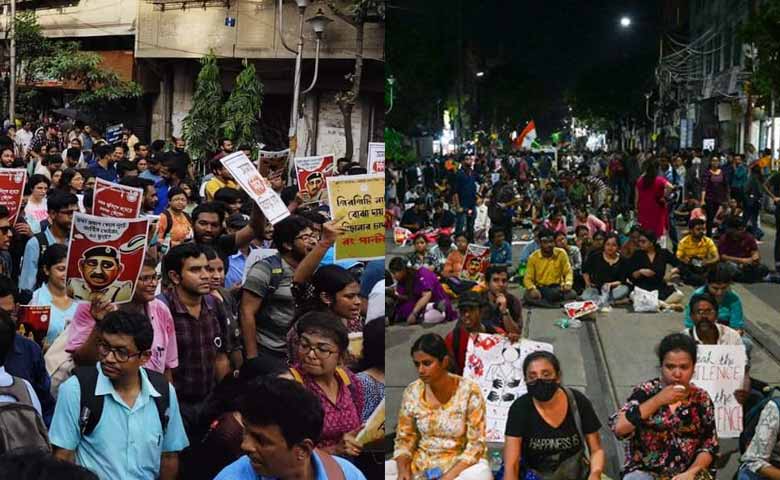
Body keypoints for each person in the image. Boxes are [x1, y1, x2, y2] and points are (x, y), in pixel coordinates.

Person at [50, 311, 189, 479]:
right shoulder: (76, 390)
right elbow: (63, 458)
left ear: (144, 357)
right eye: (105, 347)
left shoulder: (164, 392)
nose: (109, 358)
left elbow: (169, 457)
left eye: (121, 352)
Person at [610, 333, 718, 479]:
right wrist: (657, 401)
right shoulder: (645, 392)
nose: (677, 374)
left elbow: (709, 445)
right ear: (661, 367)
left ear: (693, 368)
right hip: (647, 472)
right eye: (670, 367)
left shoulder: (701, 398)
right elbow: (620, 428)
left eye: (684, 367)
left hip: (687, 472)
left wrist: (690, 473)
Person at [214, 378, 367, 480]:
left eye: (260, 440)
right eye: (246, 431)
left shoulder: (347, 475)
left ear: (302, 449)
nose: (245, 446)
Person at [388, 333, 490, 480]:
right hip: (421, 464)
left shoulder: (469, 391)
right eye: (417, 364)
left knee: (482, 474)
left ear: (444, 362)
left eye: (427, 363)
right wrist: (403, 470)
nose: (421, 370)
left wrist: (446, 478)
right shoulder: (413, 391)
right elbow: (404, 439)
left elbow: (476, 445)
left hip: (458, 466)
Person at [159, 243, 229, 437]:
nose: (206, 275)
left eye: (206, 268)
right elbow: (163, 368)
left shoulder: (215, 305)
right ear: (175, 276)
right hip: (176, 405)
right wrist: (170, 408)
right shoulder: (161, 309)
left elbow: (221, 357)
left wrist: (225, 399)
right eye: (195, 270)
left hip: (210, 401)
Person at [69, 257, 178, 379]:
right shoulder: (94, 305)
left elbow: (167, 367)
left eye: (155, 277)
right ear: (125, 279)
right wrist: (100, 324)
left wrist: (166, 395)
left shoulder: (161, 310)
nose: (153, 284)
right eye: (145, 279)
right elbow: (81, 361)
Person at [503, 351, 605, 480]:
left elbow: (596, 450)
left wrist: (595, 473)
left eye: (546, 374)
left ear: (558, 377)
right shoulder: (520, 408)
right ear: (526, 380)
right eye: (532, 376)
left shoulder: (577, 401)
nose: (539, 380)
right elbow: (511, 464)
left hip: (576, 474)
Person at [289, 312, 364, 456]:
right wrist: (334, 451)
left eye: (322, 349)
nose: (310, 354)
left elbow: (358, 427)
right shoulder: (291, 386)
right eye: (305, 345)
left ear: (341, 357)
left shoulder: (349, 381)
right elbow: (286, 451)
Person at [241, 215, 313, 362]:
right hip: (269, 350)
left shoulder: (315, 267)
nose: (313, 241)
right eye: (305, 237)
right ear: (287, 245)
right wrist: (253, 357)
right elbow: (246, 312)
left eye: (313, 235)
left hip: (303, 352)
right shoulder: (265, 269)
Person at [20, 191, 78, 292]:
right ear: (52, 214)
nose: (73, 217)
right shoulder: (36, 243)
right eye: (69, 213)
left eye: (77, 212)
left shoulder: (78, 242)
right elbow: (27, 285)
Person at [29, 244, 77, 347]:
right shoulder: (35, 301)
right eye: (61, 269)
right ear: (46, 270)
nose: (66, 274)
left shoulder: (81, 300)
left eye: (70, 269)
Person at [627, 229, 685, 311]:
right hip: (642, 288)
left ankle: (656, 304)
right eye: (639, 241)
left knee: (679, 295)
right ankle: (667, 306)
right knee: (633, 295)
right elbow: (630, 275)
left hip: (659, 287)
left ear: (652, 242)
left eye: (643, 242)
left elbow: (680, 264)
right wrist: (640, 272)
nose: (640, 244)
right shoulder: (637, 254)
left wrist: (671, 272)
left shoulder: (663, 253)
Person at [388, 257, 455, 325]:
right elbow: (408, 297)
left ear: (403, 270)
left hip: (436, 301)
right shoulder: (402, 280)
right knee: (403, 307)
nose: (393, 276)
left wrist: (414, 313)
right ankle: (432, 306)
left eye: (395, 273)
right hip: (421, 305)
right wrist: (396, 295)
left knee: (430, 316)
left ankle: (432, 308)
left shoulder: (422, 273)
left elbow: (427, 295)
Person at [522, 229, 576, 308]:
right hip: (541, 289)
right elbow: (528, 278)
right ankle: (558, 304)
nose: (549, 245)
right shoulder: (533, 257)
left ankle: (549, 304)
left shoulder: (561, 253)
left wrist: (568, 283)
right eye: (545, 242)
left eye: (551, 241)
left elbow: (568, 271)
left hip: (558, 288)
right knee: (527, 295)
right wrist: (532, 289)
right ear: (539, 243)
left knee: (572, 294)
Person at [581, 232, 630, 305]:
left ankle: (600, 301)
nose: (610, 247)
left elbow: (621, 280)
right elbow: (585, 271)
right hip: (596, 289)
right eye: (608, 244)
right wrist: (587, 283)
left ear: (618, 247)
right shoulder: (595, 256)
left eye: (614, 245)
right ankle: (613, 302)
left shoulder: (623, 260)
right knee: (585, 296)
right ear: (604, 245)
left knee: (625, 289)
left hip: (612, 290)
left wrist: (610, 284)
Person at [717, 216, 768, 283]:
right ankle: (752, 278)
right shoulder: (724, 238)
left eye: (742, 229)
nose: (742, 231)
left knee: (763, 268)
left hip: (746, 264)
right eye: (739, 229)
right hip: (732, 262)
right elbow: (722, 256)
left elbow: (754, 251)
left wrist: (755, 257)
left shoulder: (748, 237)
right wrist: (740, 260)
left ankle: (749, 277)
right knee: (729, 268)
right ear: (731, 229)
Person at [635, 157, 673, 244]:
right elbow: (670, 187)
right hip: (657, 209)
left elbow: (636, 198)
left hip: (643, 209)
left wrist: (636, 209)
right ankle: (660, 252)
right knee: (660, 232)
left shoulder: (640, 181)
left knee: (644, 232)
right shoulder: (659, 180)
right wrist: (664, 197)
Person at [676, 218, 719, 286]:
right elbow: (679, 256)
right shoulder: (683, 242)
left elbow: (716, 257)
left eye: (703, 229)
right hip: (690, 265)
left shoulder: (708, 241)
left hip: (703, 265)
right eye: (698, 229)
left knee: (717, 266)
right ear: (691, 230)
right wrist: (685, 260)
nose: (702, 231)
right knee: (684, 268)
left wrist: (707, 262)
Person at [702, 155, 729, 237]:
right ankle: (708, 235)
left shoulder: (722, 173)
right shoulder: (707, 173)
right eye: (713, 160)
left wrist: (727, 198)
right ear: (710, 162)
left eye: (717, 161)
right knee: (710, 217)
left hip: (719, 198)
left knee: (714, 216)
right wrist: (702, 200)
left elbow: (726, 186)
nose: (715, 162)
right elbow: (704, 187)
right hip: (709, 198)